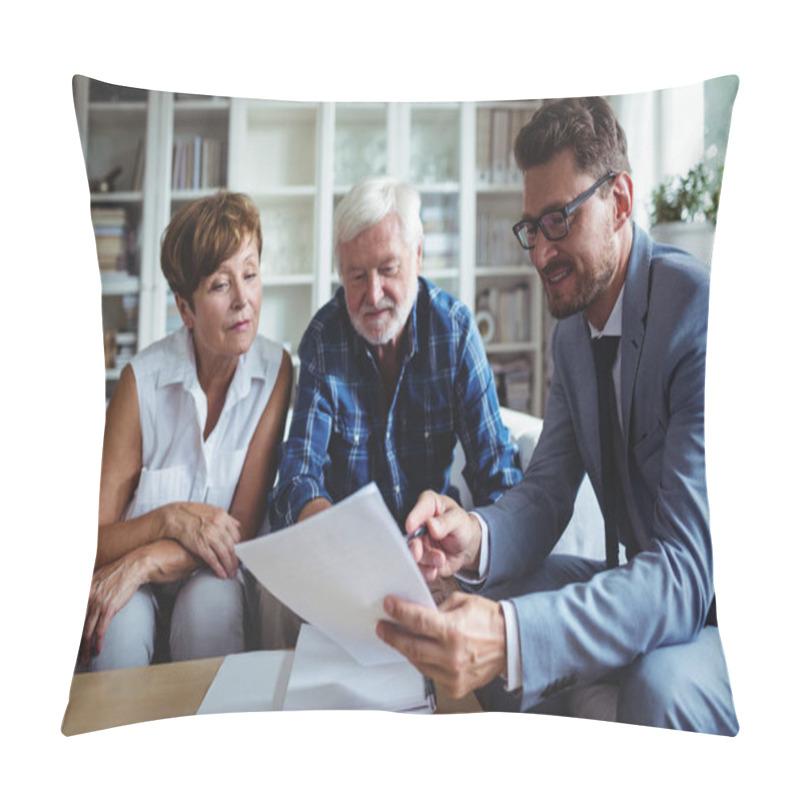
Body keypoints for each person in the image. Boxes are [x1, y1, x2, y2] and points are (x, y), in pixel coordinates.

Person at [376, 97, 739, 735]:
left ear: (620, 201)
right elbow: (546, 493)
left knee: (662, 686)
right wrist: (474, 537)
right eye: (531, 229)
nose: (540, 253)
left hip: (720, 610)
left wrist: (513, 639)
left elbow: (685, 574)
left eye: (558, 221)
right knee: (479, 596)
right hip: (643, 579)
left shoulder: (699, 317)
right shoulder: (573, 335)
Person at [78, 191, 292, 671]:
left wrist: (145, 561)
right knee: (118, 627)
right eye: (220, 285)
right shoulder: (141, 383)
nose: (243, 301)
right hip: (129, 579)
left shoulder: (276, 371)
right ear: (185, 309)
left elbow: (238, 532)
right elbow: (89, 541)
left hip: (212, 571)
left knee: (211, 608)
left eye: (250, 275)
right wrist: (166, 519)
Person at [270, 176, 521, 533]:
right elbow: (297, 477)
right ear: (340, 272)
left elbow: (499, 476)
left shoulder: (454, 332)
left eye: (388, 270)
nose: (373, 296)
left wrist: (468, 538)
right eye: (356, 277)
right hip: (348, 546)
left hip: (431, 543)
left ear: (417, 257)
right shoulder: (324, 341)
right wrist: (330, 531)